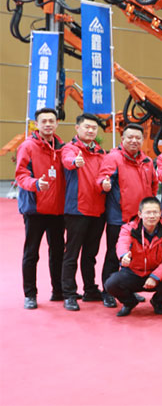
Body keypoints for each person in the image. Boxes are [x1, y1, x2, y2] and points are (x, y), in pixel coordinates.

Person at [97, 123, 158, 308]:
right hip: (119, 217)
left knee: (134, 256)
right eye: (130, 137)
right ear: (122, 139)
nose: (134, 141)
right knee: (113, 255)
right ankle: (107, 291)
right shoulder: (113, 158)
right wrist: (103, 184)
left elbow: (154, 185)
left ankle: (127, 290)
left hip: (140, 220)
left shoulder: (147, 161)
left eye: (137, 138)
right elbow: (103, 178)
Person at [15, 107, 66, 309]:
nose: (48, 124)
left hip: (57, 209)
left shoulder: (62, 147)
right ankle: (30, 294)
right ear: (36, 124)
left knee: (58, 252)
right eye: (44, 121)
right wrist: (35, 183)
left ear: (57, 123)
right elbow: (21, 175)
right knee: (31, 253)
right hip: (35, 209)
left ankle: (58, 290)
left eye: (51, 121)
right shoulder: (27, 146)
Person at [60, 113, 107, 311]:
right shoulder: (70, 149)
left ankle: (90, 289)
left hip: (98, 210)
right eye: (87, 127)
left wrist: (106, 183)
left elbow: (105, 173)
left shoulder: (101, 152)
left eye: (94, 128)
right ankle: (69, 294)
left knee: (90, 254)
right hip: (77, 210)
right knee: (71, 254)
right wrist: (75, 162)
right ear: (77, 128)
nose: (90, 130)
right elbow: (67, 160)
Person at [105, 197, 162, 316]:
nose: (152, 216)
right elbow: (122, 242)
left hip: (156, 272)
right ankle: (129, 302)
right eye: (148, 212)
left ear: (160, 213)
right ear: (140, 214)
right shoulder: (128, 228)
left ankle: (157, 302)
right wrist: (124, 255)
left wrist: (155, 277)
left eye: (155, 212)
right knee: (111, 284)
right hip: (133, 272)